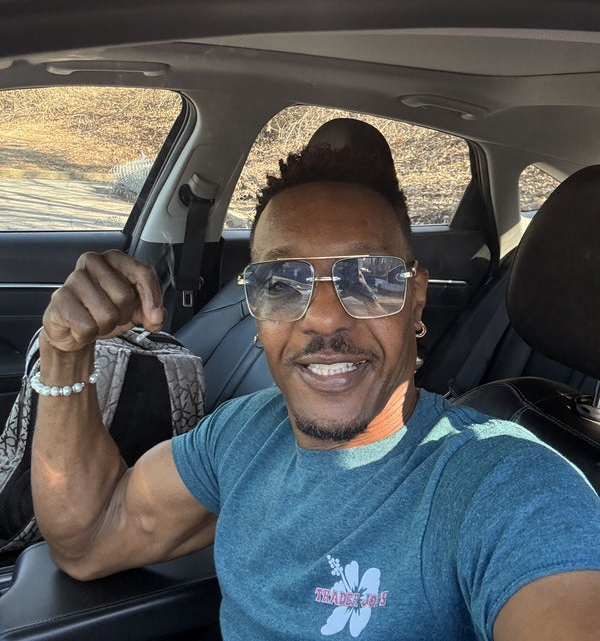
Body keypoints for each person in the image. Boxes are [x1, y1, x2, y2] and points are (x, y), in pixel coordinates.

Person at [31, 143, 600, 641]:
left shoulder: (509, 485)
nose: (325, 318)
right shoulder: (241, 434)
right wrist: (64, 350)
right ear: (255, 309)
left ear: (416, 299)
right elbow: (90, 539)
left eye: (370, 278)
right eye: (283, 283)